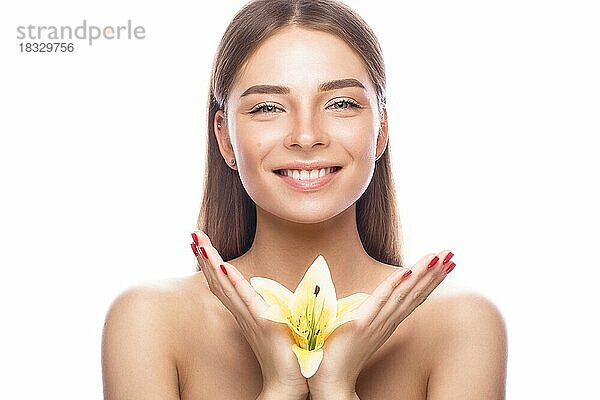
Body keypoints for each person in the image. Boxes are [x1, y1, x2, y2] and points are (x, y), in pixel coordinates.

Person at [101, 0, 507, 399]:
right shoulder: (149, 321)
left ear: (381, 130)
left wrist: (335, 387)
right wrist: (281, 387)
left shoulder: (461, 324)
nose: (306, 135)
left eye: (341, 103)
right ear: (224, 138)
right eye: (268, 107)